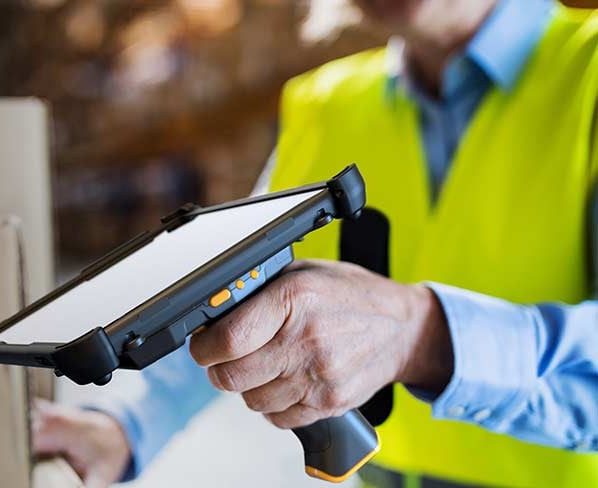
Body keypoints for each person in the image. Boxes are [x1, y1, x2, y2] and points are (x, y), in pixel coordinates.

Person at [33, 0, 598, 486]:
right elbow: (224, 297)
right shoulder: (328, 104)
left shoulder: (588, 75)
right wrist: (123, 427)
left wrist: (421, 336)